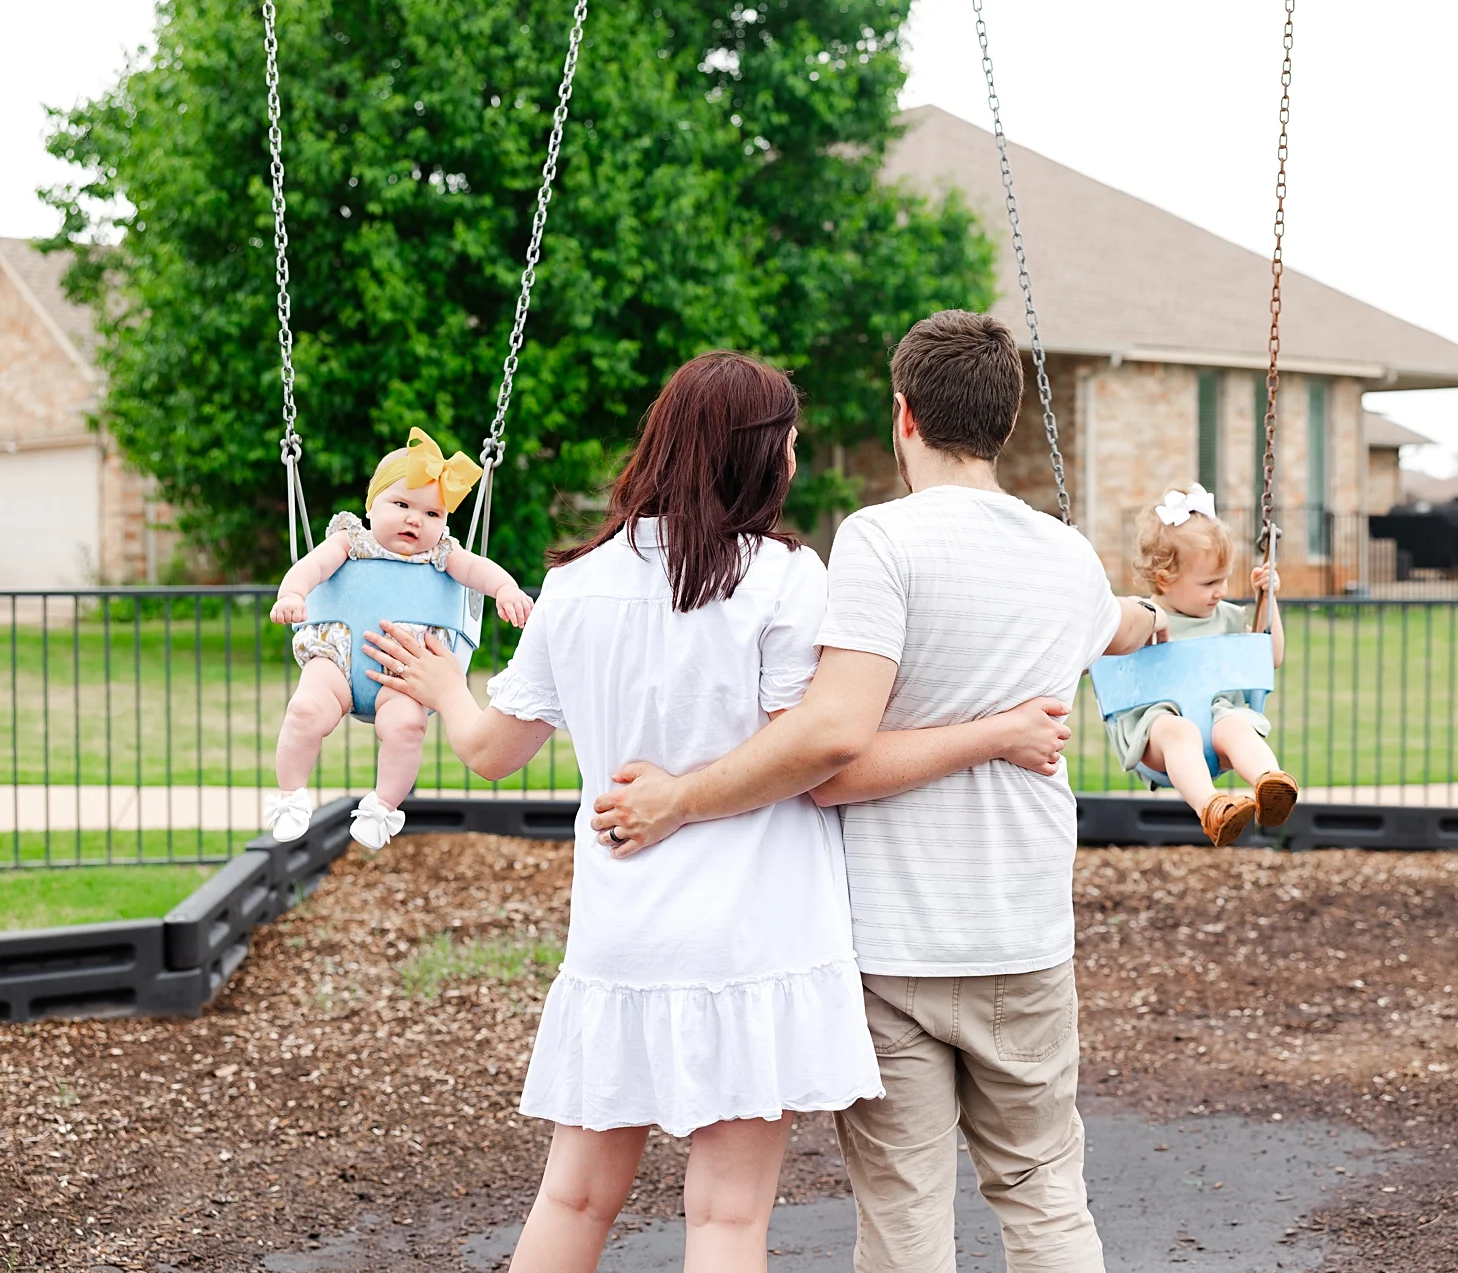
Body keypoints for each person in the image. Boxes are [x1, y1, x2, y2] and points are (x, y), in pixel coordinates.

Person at [361, 350, 1075, 1273]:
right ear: (759, 457)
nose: (789, 462)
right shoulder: (783, 578)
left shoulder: (576, 584)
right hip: (755, 938)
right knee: (728, 1219)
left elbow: (492, 749)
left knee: (573, 1198)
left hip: (623, 933)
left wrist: (447, 686)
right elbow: (817, 746)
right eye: (785, 445)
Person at [588, 311, 1165, 1273]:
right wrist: (1187, 613)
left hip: (895, 941)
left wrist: (682, 797)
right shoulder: (1068, 554)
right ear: (1006, 424)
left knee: (903, 1220)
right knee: (1047, 1196)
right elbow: (1122, 625)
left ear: (904, 415)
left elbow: (831, 754)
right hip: (1024, 931)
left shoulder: (880, 542)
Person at [265, 427, 533, 849]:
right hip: (337, 659)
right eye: (402, 504)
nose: (416, 519)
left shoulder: (442, 553)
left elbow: (480, 569)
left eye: (432, 514)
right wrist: (292, 594)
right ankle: (291, 797)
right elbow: (311, 568)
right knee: (304, 709)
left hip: (405, 674)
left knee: (407, 726)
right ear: (373, 506)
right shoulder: (350, 541)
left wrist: (506, 589)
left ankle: (382, 808)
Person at [1105, 483, 1298, 847]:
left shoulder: (1225, 616)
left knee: (1237, 724)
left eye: (1224, 579)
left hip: (1216, 721)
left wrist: (1267, 600)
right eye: (1210, 582)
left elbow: (1268, 658)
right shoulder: (1140, 616)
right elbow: (1099, 645)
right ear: (1165, 579)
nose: (1221, 590)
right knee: (1179, 731)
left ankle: (1270, 783)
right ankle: (1211, 808)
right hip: (1157, 734)